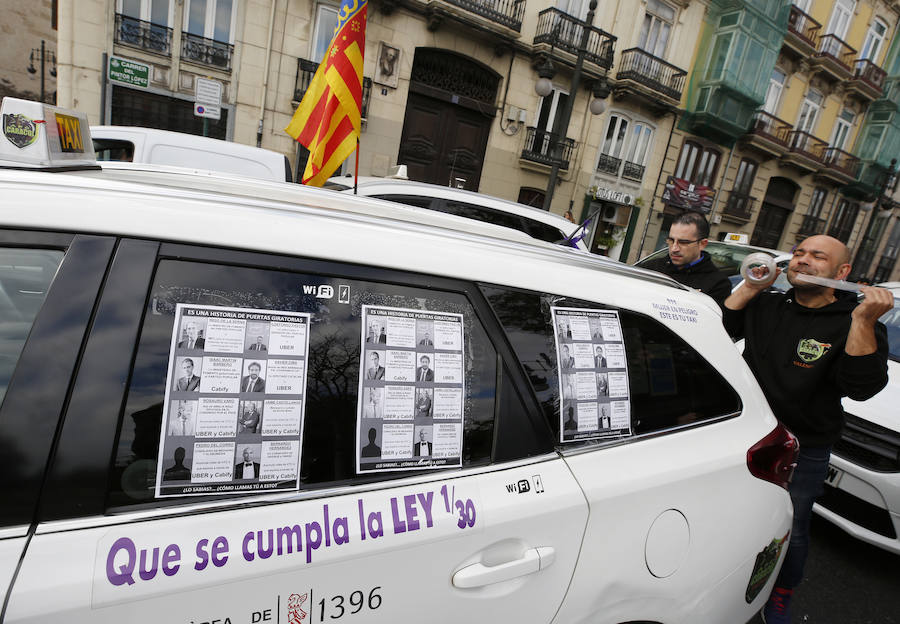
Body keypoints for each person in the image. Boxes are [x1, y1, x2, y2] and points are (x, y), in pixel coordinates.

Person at [722, 234, 892, 624]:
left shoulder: (854, 319)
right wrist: (750, 284)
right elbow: (721, 326)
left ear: (842, 272)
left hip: (802, 448)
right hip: (742, 435)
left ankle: (781, 592)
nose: (802, 260)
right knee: (732, 516)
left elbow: (862, 387)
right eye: (799, 253)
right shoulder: (768, 303)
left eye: (818, 256)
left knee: (791, 530)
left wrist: (864, 319)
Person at [642, 211, 731, 307]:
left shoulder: (718, 284)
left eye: (683, 242)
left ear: (702, 244)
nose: (674, 248)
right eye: (671, 241)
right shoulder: (650, 268)